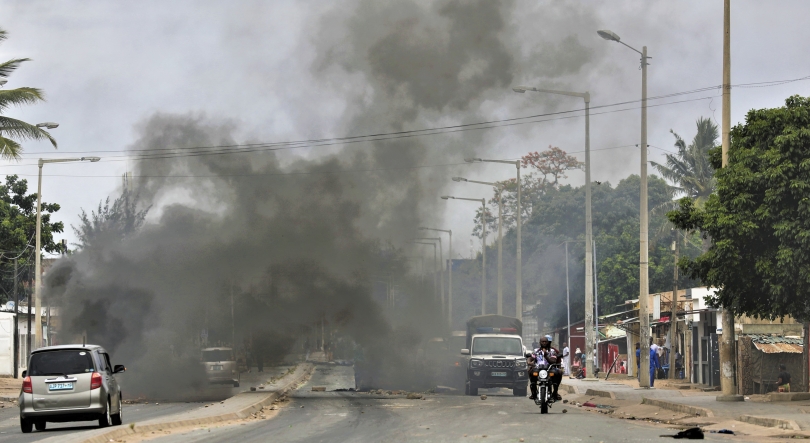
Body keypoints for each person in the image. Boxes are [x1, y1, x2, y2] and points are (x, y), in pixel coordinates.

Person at [528, 335, 563, 402]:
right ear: (540, 342)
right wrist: (529, 362)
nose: (544, 343)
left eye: (545, 342)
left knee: (559, 372)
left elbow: (553, 361)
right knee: (530, 371)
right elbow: (531, 357)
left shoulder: (552, 351)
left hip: (549, 369)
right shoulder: (536, 351)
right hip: (538, 368)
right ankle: (533, 392)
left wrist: (546, 355)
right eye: (542, 342)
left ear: (548, 342)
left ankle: (555, 392)